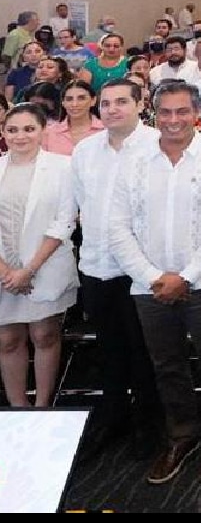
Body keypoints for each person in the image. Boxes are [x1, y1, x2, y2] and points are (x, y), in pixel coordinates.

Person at [108, 80, 201, 485]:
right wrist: (153, 277)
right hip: (148, 285)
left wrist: (185, 276)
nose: (173, 120)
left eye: (181, 111)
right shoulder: (134, 161)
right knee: (166, 365)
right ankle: (181, 435)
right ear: (153, 114)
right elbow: (117, 227)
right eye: (164, 112)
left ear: (196, 113)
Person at [71, 79, 162, 460]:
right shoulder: (85, 150)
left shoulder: (157, 146)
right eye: (105, 103)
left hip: (141, 268)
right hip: (97, 265)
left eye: (121, 102)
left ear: (140, 105)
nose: (111, 109)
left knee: (144, 352)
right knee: (108, 350)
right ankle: (114, 416)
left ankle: (150, 424)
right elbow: (79, 206)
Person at [0, 103, 79, 407]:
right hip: (4, 271)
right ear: (4, 132)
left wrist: (28, 270)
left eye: (29, 129)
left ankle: (43, 406)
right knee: (8, 340)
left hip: (45, 264)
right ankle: (17, 410)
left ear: (42, 130)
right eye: (13, 130)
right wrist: (7, 271)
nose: (21, 136)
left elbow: (65, 221)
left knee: (45, 334)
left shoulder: (62, 167)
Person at [43, 80, 104, 155]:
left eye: (81, 98)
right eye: (69, 99)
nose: (74, 104)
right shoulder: (49, 133)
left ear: (93, 101)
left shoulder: (106, 130)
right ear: (63, 102)